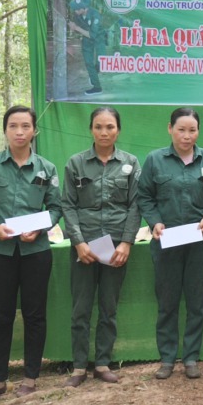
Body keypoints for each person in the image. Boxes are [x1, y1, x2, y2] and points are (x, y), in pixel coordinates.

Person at [0, 106, 62, 404]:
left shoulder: (46, 168)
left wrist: (42, 227)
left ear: (35, 131)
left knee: (35, 316)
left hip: (36, 252)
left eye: (25, 126)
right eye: (13, 126)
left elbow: (56, 208)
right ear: (5, 130)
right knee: (1, 317)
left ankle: (30, 378)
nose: (19, 132)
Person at [137, 108, 203, 379]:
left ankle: (190, 357)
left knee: (196, 300)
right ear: (170, 129)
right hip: (167, 240)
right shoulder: (155, 160)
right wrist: (154, 221)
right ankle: (167, 358)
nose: (186, 136)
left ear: (198, 132)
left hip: (200, 240)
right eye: (181, 130)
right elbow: (145, 197)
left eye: (192, 130)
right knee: (167, 301)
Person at [61, 107, 141, 387]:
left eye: (110, 127)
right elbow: (68, 205)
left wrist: (126, 243)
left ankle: (103, 363)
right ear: (90, 129)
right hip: (85, 246)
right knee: (81, 309)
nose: (104, 132)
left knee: (109, 307)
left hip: (116, 247)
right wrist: (79, 242)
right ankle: (79, 367)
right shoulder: (76, 163)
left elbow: (136, 205)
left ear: (118, 129)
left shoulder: (130, 162)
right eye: (98, 127)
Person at [69, 0, 105, 96]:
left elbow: (92, 35)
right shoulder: (77, 15)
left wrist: (77, 28)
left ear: (84, 8)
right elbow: (78, 30)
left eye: (77, 9)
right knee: (88, 62)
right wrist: (73, 28)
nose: (75, 11)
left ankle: (95, 71)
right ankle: (97, 87)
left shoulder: (95, 15)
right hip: (86, 39)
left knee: (101, 62)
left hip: (99, 38)